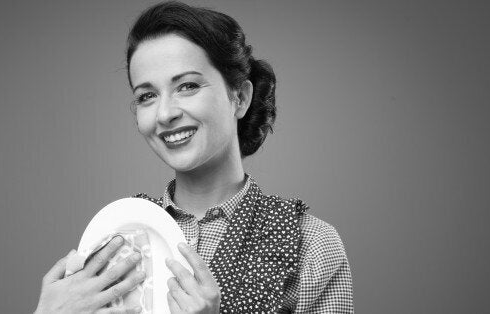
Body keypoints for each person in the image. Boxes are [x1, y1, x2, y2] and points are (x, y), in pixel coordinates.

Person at [34, 1, 353, 313]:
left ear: (239, 97)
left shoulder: (311, 245)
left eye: (187, 86)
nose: (165, 113)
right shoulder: (116, 233)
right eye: (147, 96)